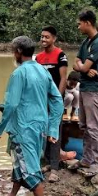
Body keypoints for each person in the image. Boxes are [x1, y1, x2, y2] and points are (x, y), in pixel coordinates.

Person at [0, 36, 63, 196]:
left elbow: (12, 104)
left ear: (17, 51)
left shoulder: (19, 73)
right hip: (39, 126)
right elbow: (57, 100)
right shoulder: (42, 70)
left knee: (30, 166)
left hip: (24, 127)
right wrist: (53, 127)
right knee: (21, 161)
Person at [34, 26, 75, 182]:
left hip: (55, 98)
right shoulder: (38, 58)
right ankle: (47, 162)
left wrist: (57, 98)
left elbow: (63, 78)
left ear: (54, 39)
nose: (44, 39)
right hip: (41, 100)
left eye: (47, 37)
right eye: (42, 37)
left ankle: (55, 168)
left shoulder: (60, 55)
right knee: (43, 130)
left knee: (55, 131)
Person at [70, 10, 98, 177]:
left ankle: (96, 164)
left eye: (80, 23)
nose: (78, 26)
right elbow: (76, 64)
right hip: (84, 86)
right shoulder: (86, 42)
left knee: (93, 127)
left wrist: (83, 67)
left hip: (94, 89)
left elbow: (82, 67)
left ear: (87, 23)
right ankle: (86, 159)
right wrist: (83, 67)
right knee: (84, 125)